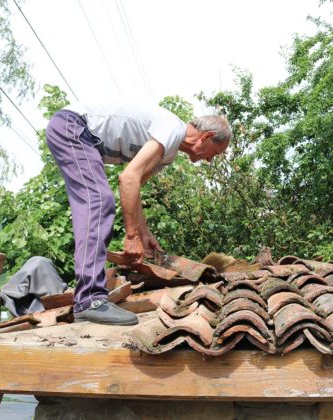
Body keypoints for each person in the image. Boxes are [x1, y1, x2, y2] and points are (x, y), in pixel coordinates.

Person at [45, 102, 232, 325]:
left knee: (98, 198)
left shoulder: (168, 153)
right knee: (98, 199)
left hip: (79, 135)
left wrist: (144, 234)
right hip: (73, 127)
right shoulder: (172, 129)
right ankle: (89, 300)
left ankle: (89, 297)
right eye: (215, 153)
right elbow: (128, 178)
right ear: (207, 136)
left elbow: (135, 187)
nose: (210, 159)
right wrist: (131, 236)